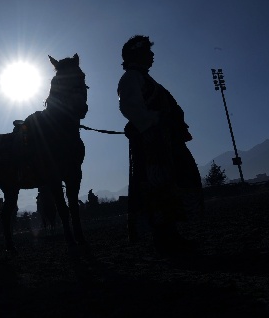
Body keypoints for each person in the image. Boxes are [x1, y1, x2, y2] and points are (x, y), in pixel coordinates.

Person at [117, 35, 203, 256]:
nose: (153, 56)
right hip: (152, 144)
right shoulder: (131, 79)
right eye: (148, 52)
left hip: (162, 141)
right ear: (138, 55)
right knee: (157, 186)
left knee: (169, 185)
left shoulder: (144, 79)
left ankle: (170, 235)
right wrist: (156, 120)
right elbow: (131, 108)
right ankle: (164, 239)